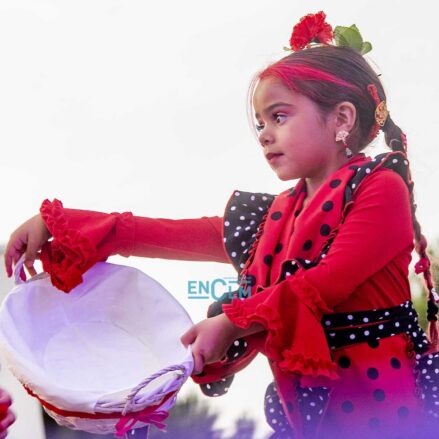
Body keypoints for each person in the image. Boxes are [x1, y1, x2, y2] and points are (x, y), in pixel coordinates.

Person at [4, 10, 439, 439]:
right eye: (260, 122)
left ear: (342, 119)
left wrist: (231, 322)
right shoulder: (276, 217)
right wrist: (58, 225)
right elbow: (168, 234)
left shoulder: (381, 189)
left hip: (391, 419)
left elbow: (324, 285)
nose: (265, 133)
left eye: (280, 116)